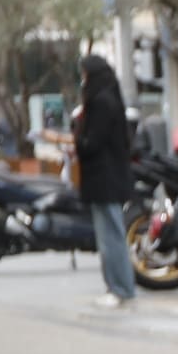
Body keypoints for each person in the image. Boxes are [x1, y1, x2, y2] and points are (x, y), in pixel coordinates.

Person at [72, 53, 138, 308]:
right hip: (109, 178)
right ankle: (120, 286)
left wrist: (78, 138)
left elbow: (92, 143)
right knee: (111, 233)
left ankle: (119, 288)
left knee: (110, 236)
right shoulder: (111, 99)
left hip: (104, 179)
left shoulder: (100, 103)